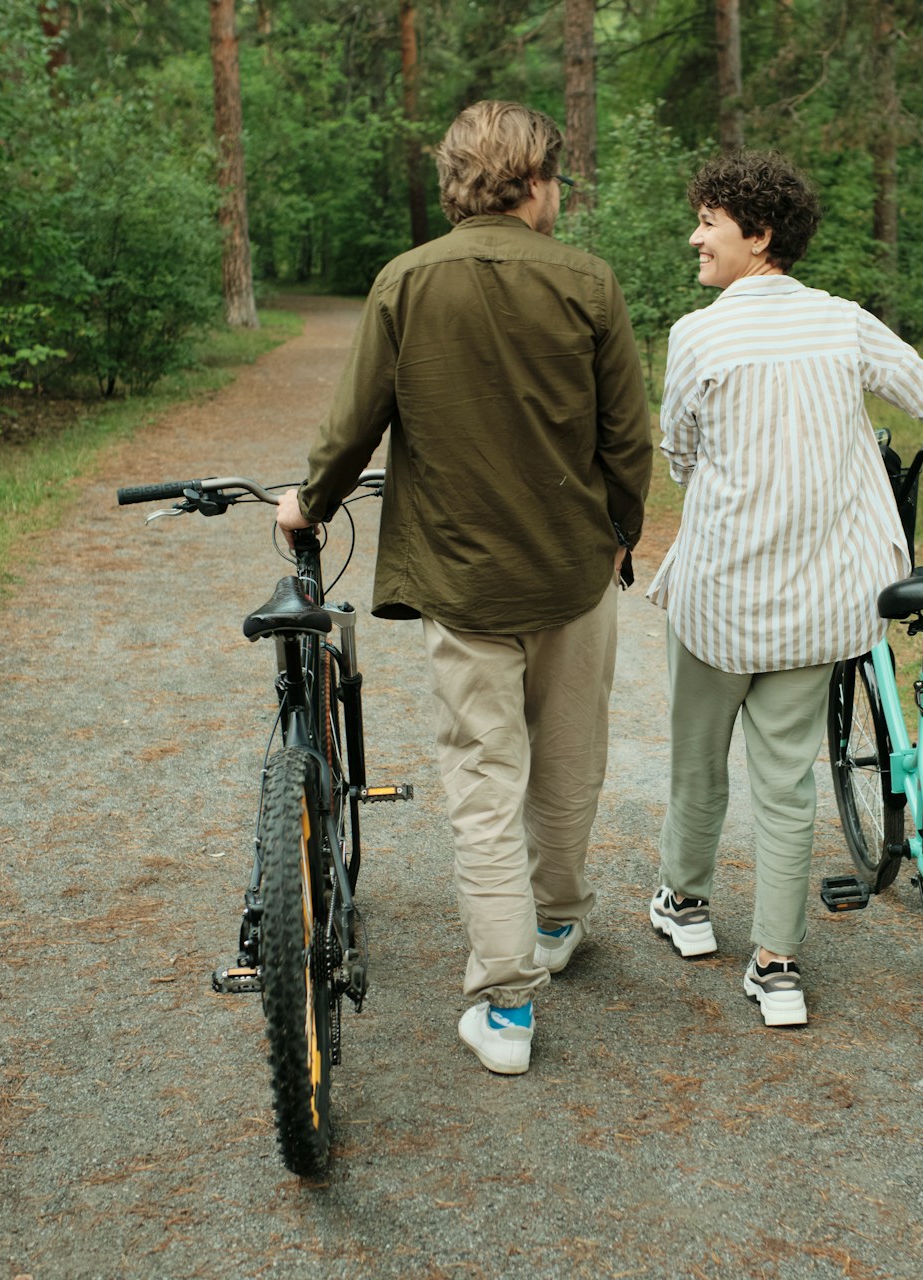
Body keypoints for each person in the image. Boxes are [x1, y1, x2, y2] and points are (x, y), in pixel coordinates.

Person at [276, 101, 654, 1075]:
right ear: (532, 182)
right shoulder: (587, 282)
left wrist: (308, 503)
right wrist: (622, 530)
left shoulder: (406, 282)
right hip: (572, 568)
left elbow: (354, 421)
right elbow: (627, 439)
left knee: (485, 783)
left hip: (460, 575)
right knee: (569, 761)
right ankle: (559, 922)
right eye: (556, 179)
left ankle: (505, 1003)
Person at [644, 150, 923, 1028]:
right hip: (817, 602)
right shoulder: (844, 323)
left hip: (718, 601)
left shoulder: (696, 335)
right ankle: (778, 968)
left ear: (760, 235)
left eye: (709, 220)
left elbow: (680, 455)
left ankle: (687, 907)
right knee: (787, 780)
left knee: (699, 761)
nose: (694, 235)